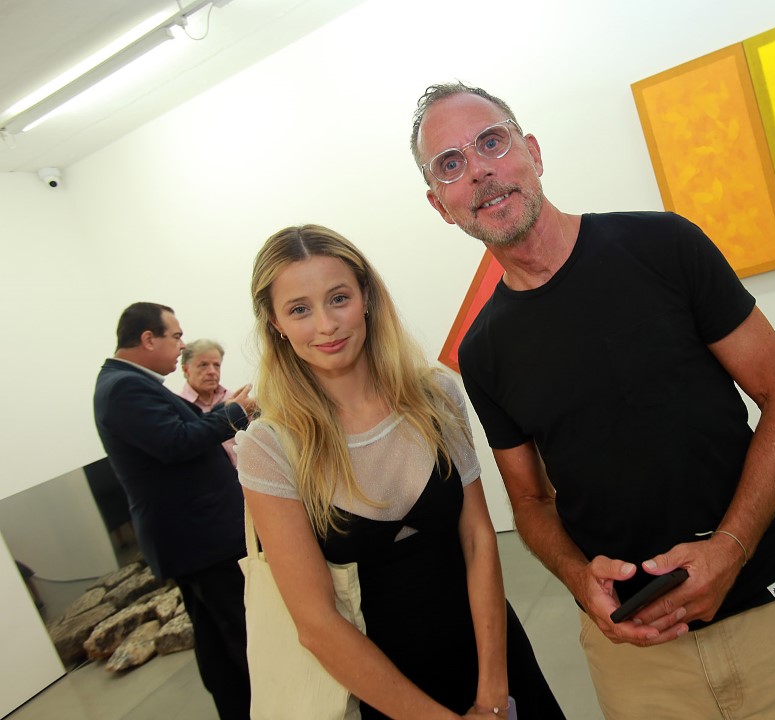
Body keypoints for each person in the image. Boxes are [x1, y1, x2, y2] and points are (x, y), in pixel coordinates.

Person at [411, 82, 775, 719]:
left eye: (491, 141)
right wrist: (580, 579)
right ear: (441, 206)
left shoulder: (663, 246)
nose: (480, 171)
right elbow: (529, 500)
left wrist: (730, 549)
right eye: (451, 164)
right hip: (637, 660)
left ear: (532, 150)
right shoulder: (484, 351)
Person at [235, 225, 565, 720]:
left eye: (338, 298)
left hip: (492, 661)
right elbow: (317, 622)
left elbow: (477, 539)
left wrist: (494, 695)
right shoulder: (270, 447)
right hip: (382, 694)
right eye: (299, 309)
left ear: (366, 297)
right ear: (275, 323)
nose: (326, 325)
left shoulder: (436, 397)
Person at [93, 302, 256, 719]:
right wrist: (233, 414)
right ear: (148, 338)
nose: (181, 344)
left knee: (219, 639)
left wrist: (224, 412)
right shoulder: (124, 387)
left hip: (195, 539)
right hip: (199, 539)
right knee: (239, 636)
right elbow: (175, 442)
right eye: (177, 336)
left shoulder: (129, 383)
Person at [178, 339, 238, 466]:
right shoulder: (178, 407)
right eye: (203, 365)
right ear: (186, 370)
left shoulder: (235, 400)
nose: (212, 371)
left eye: (216, 365)